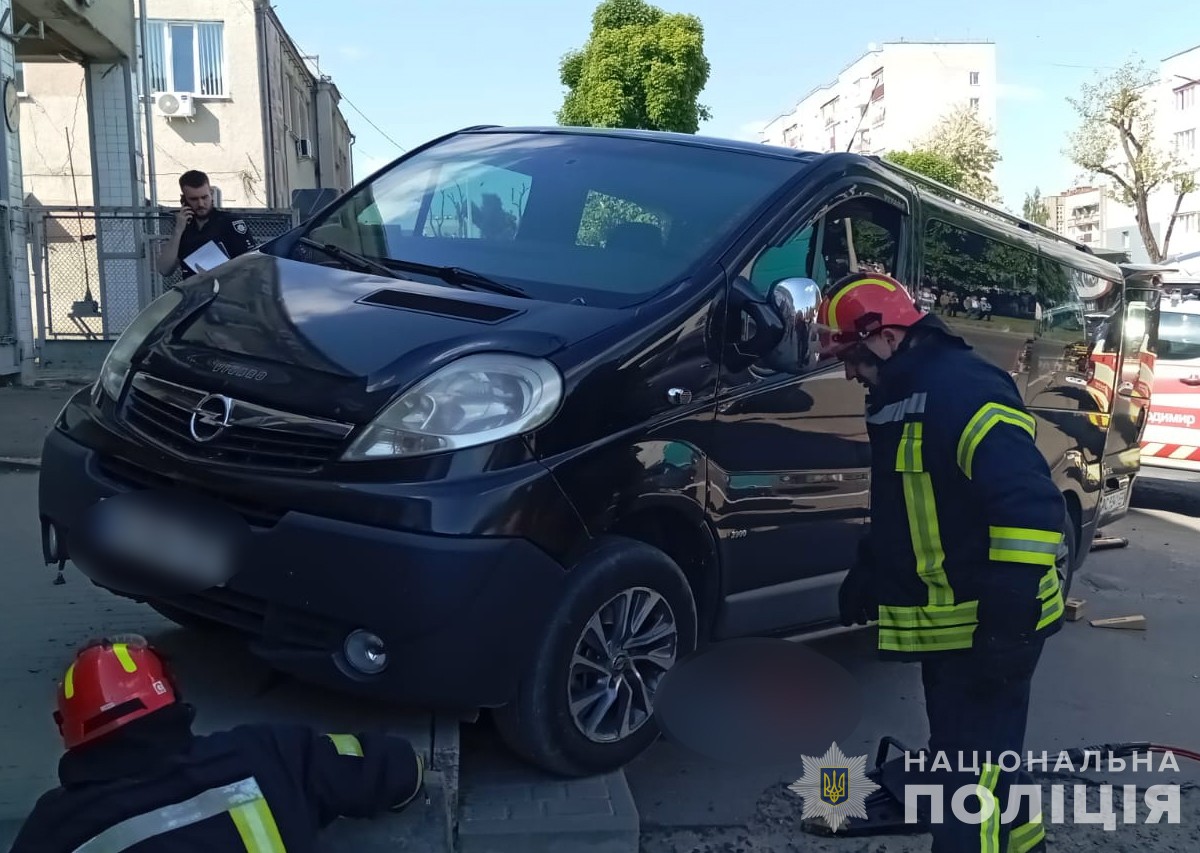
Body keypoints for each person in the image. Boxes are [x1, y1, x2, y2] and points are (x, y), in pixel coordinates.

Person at [817, 271, 1063, 853]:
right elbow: (906, 503)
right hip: (956, 626)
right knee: (980, 759)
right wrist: (871, 567)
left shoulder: (964, 389)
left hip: (992, 621)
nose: (849, 373)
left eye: (852, 357)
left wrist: (1009, 614)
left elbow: (1028, 503)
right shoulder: (898, 395)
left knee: (966, 783)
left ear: (885, 336)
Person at [8, 635, 426, 852]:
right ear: (170, 696)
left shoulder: (53, 830)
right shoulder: (266, 754)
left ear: (70, 729)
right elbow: (397, 771)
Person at [158, 170, 257, 279]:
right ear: (184, 200)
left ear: (211, 193)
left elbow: (251, 265)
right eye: (194, 199)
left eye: (204, 197)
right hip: (193, 292)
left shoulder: (229, 223)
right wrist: (178, 231)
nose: (200, 204)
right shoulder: (184, 228)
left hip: (226, 290)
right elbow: (164, 269)